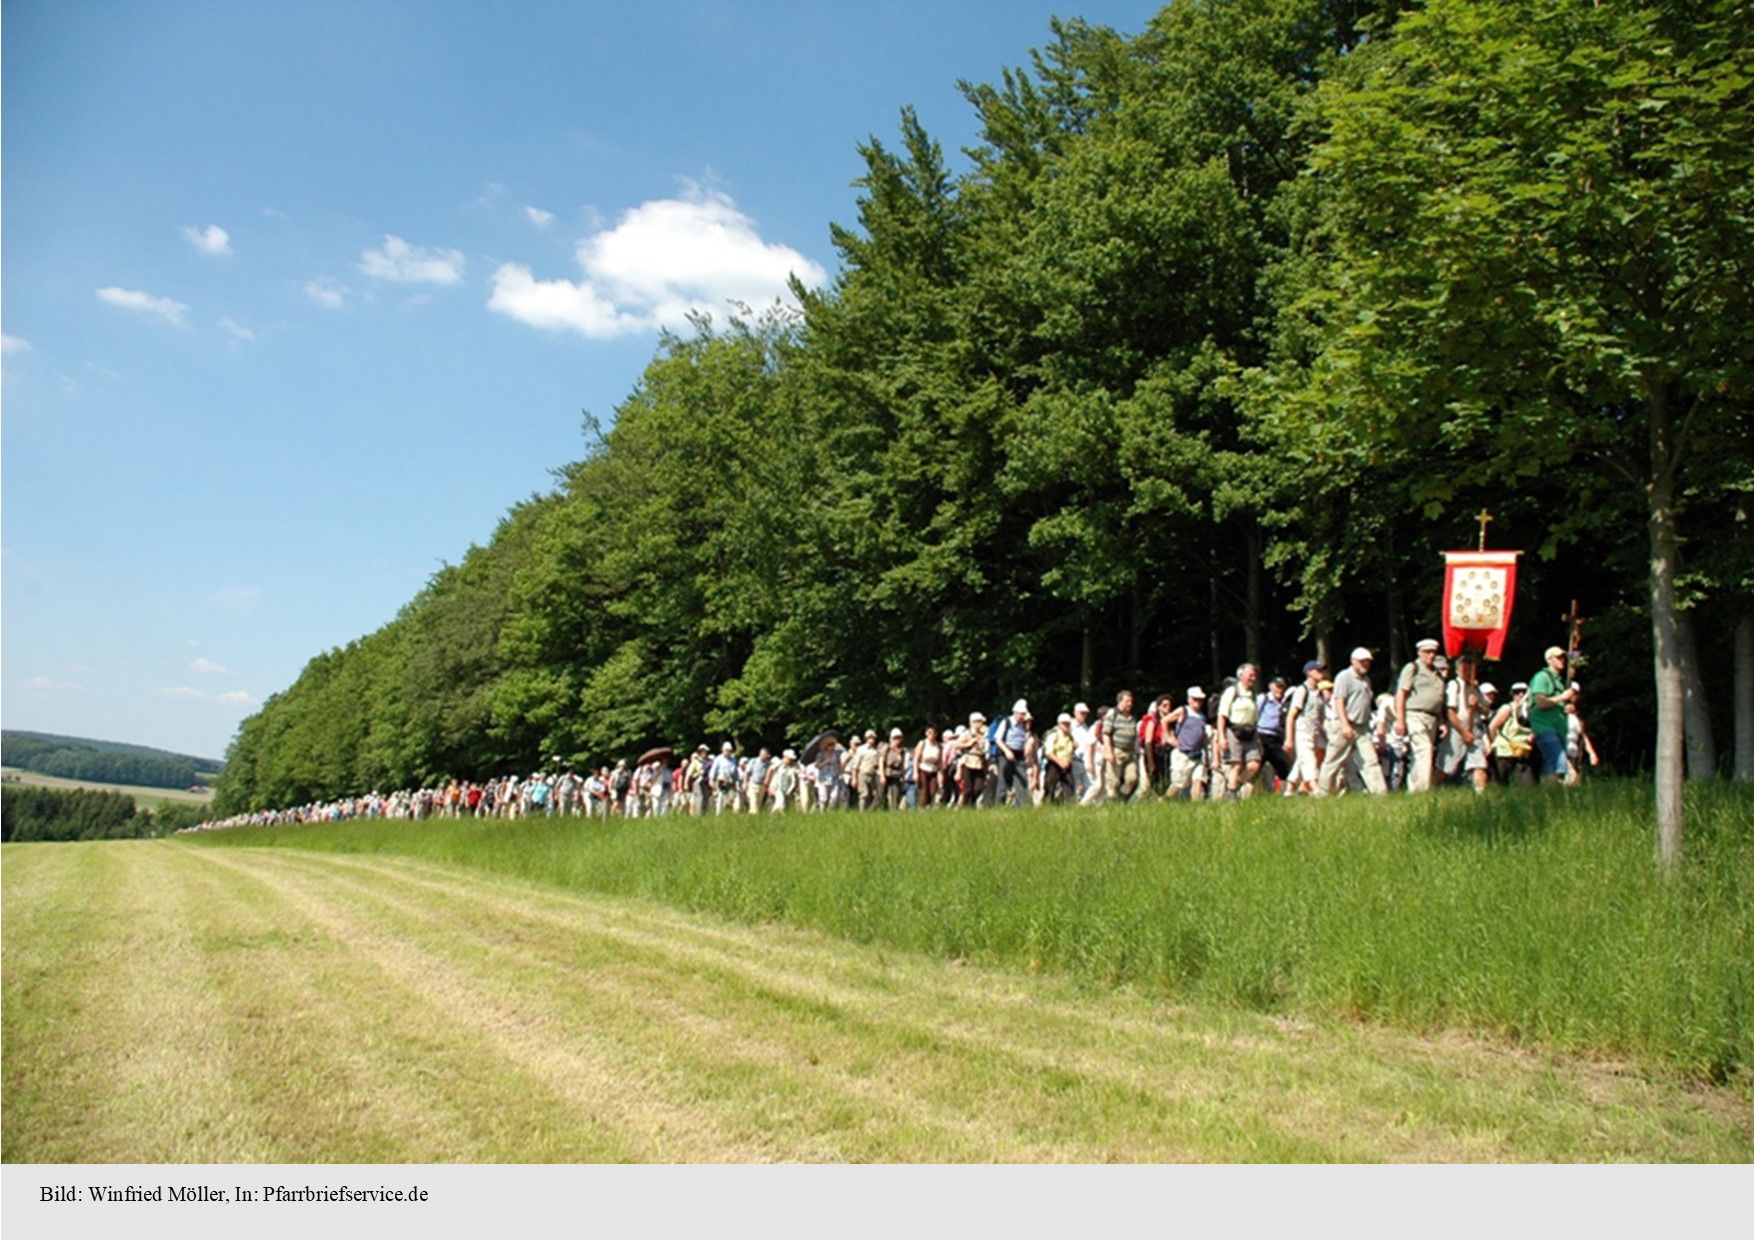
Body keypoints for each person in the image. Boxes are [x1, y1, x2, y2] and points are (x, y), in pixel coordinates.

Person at [1319, 647, 1388, 795]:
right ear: (1353, 661)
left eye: (1368, 661)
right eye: (1362, 661)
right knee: (1333, 760)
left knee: (1370, 760)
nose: (1366, 664)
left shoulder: (1366, 680)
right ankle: (1323, 792)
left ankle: (1380, 793)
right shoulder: (1344, 677)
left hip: (1362, 727)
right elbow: (1339, 701)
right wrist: (1345, 725)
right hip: (1344, 725)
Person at [1394, 639, 1447, 792]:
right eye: (1427, 652)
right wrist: (1400, 720)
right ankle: (1423, 789)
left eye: (1433, 652)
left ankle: (1414, 789)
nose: (1431, 655)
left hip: (1432, 718)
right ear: (1419, 653)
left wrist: (1441, 721)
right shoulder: (1412, 668)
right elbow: (1401, 694)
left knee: (1420, 754)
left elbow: (1438, 699)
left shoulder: (1437, 673)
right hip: (1415, 714)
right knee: (1425, 749)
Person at [1528, 645, 1579, 782]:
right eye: (1558, 657)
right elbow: (1540, 702)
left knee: (1551, 767)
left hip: (1559, 729)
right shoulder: (1542, 677)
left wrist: (1567, 707)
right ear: (1549, 660)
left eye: (1563, 657)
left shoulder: (1560, 681)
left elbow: (1556, 703)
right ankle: (1561, 788)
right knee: (1560, 763)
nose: (1562, 660)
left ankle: (1549, 793)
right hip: (1544, 727)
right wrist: (1563, 697)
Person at [1216, 663, 1265, 799]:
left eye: (1254, 675)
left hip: (1251, 732)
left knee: (1254, 764)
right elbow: (1222, 715)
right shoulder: (1232, 691)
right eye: (1250, 675)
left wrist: (1258, 740)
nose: (1253, 678)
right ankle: (1232, 796)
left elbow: (1255, 719)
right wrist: (1221, 737)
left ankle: (1234, 785)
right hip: (1234, 731)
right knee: (1236, 765)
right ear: (1241, 675)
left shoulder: (1252, 694)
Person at [1444, 656, 1492, 793]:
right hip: (1457, 730)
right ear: (1458, 670)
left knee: (1480, 765)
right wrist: (1463, 732)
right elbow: (1450, 712)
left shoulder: (1474, 688)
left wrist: (1477, 706)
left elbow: (1487, 711)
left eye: (1470, 669)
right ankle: (1429, 790)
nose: (1467, 672)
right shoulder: (1454, 685)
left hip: (1475, 730)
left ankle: (1481, 795)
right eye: (1464, 668)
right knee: (1447, 768)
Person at [1282, 660, 1327, 795]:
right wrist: (1289, 739)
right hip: (1303, 731)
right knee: (1308, 760)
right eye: (1318, 670)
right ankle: (1315, 788)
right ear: (1309, 673)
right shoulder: (1302, 690)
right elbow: (1291, 716)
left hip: (1315, 732)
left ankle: (1289, 789)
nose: (1321, 673)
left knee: (1303, 760)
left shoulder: (1319, 692)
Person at [1488, 682, 1536, 786]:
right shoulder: (1507, 708)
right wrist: (1495, 743)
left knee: (1527, 786)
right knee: (1503, 785)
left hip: (1522, 752)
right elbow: (1492, 727)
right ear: (1512, 694)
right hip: (1505, 752)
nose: (1521, 694)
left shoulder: (1530, 711)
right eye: (1517, 692)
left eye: (1524, 692)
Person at [1167, 687, 1209, 800]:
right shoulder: (1183, 711)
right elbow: (1165, 720)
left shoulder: (1202, 716)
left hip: (1197, 754)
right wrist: (1170, 737)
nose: (1198, 702)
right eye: (1195, 699)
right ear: (1189, 699)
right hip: (1183, 753)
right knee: (1178, 785)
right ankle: (1164, 801)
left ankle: (1196, 806)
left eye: (1200, 700)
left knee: (1198, 780)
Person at [1105, 690, 1142, 802]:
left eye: (1131, 701)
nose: (1130, 704)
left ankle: (1122, 797)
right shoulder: (1112, 715)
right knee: (1113, 781)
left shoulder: (1132, 717)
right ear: (1120, 701)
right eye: (1127, 701)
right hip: (1116, 751)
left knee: (1132, 778)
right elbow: (1106, 734)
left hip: (1129, 753)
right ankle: (1111, 803)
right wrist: (1109, 752)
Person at [994, 700, 1033, 807]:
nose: (1023, 717)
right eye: (1021, 714)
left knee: (1022, 780)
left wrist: (1028, 725)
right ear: (1015, 713)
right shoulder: (1006, 722)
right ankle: (999, 805)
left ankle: (1023, 805)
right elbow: (998, 739)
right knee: (1003, 780)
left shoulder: (1024, 725)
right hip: (1005, 753)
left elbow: (1027, 738)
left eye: (1024, 714)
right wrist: (1007, 751)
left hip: (1019, 755)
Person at [1042, 712, 1077, 803]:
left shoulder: (1069, 735)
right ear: (1059, 723)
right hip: (1054, 764)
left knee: (1070, 786)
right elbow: (1049, 752)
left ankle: (1070, 805)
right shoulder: (1053, 734)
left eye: (1068, 723)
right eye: (1064, 723)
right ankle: (1048, 804)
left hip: (1067, 764)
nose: (1066, 725)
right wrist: (1060, 762)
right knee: (1050, 786)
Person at [957, 712, 990, 807]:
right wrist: (969, 743)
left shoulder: (983, 735)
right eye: (978, 722)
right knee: (968, 788)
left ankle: (972, 803)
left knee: (978, 787)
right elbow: (957, 745)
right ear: (972, 722)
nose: (980, 724)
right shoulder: (967, 734)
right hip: (968, 761)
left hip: (979, 763)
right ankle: (966, 806)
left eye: (981, 722)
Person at [1564, 702, 1600, 785]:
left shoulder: (1577, 719)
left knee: (1575, 780)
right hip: (1562, 750)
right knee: (1571, 776)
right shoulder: (1558, 718)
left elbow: (1583, 737)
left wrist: (1592, 753)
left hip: (1574, 752)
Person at [913, 726, 943, 810]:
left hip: (934, 770)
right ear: (926, 733)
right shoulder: (922, 743)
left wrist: (941, 774)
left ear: (936, 734)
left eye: (933, 733)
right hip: (923, 769)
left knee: (933, 791)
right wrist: (915, 772)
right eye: (929, 732)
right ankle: (921, 808)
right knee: (924, 790)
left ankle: (929, 807)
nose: (931, 734)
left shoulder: (939, 745)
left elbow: (940, 761)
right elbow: (916, 759)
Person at [879, 728, 907, 810]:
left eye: (899, 738)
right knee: (881, 795)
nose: (897, 740)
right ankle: (880, 810)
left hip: (896, 775)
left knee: (894, 795)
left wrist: (903, 777)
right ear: (891, 739)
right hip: (886, 773)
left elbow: (902, 765)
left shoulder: (902, 751)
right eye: (895, 738)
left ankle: (893, 811)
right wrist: (882, 775)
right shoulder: (886, 748)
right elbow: (881, 761)